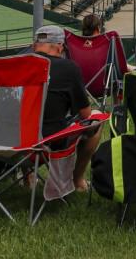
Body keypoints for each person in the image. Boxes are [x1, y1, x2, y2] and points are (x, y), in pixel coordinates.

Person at [31, 26, 101, 192]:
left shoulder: (14, 66)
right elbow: (85, 114)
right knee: (96, 118)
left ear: (34, 45)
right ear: (60, 47)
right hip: (48, 140)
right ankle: (77, 180)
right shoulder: (68, 68)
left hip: (11, 141)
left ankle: (27, 176)